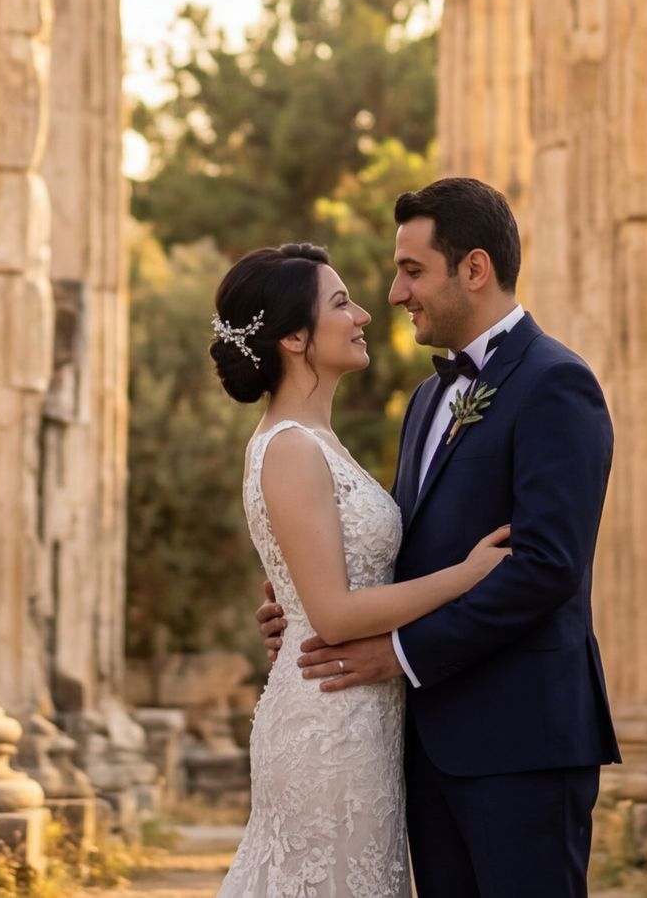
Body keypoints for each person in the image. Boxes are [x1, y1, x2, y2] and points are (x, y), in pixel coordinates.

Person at [259, 177, 621, 898]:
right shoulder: (426, 399)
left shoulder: (557, 383)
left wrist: (398, 653)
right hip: (425, 749)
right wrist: (306, 607)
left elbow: (545, 566)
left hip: (522, 744)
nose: (396, 293)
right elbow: (408, 552)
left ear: (474, 269)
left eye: (412, 270)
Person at [210, 241, 514, 898]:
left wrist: (289, 608)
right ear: (294, 337)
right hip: (328, 726)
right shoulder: (291, 448)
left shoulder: (319, 442)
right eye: (341, 303)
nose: (365, 315)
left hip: (364, 718)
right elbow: (334, 614)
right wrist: (467, 575)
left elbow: (324, 584)